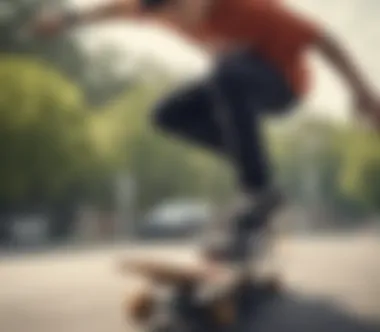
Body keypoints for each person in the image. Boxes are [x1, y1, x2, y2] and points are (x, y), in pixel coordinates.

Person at [32, 0, 380, 261]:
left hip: (284, 85)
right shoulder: (154, 8)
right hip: (232, 82)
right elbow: (113, 11)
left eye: (186, 10)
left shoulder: (250, 8)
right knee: (167, 113)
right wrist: (66, 20)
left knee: (228, 71)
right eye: (171, 17)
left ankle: (256, 191)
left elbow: (325, 41)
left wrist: (363, 94)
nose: (182, 22)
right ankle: (258, 174)